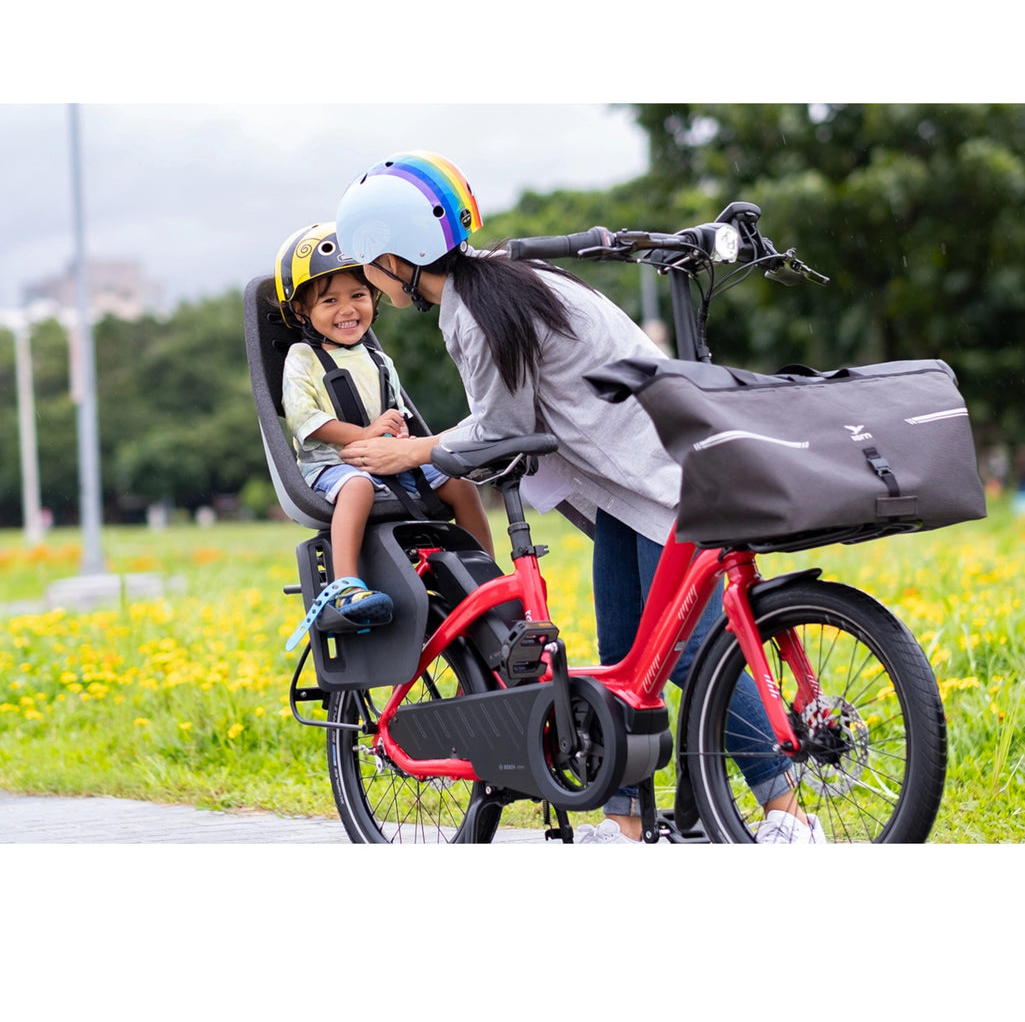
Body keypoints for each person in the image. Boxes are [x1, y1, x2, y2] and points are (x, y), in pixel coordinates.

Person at [334, 151, 824, 845]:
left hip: (658, 477)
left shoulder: (474, 312)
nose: (373, 289)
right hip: (627, 482)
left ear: (397, 256)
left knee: (681, 651)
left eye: (370, 270)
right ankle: (622, 825)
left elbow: (502, 431)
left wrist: (407, 450)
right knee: (627, 657)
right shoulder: (507, 282)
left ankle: (785, 812)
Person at [274, 222, 495, 631]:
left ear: (374, 296)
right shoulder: (302, 358)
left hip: (385, 458)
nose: (347, 310)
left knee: (461, 483)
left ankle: (484, 572)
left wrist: (396, 434)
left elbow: (394, 414)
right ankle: (345, 587)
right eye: (329, 301)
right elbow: (307, 421)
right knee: (356, 487)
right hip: (331, 464)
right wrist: (364, 436)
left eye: (358, 295)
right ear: (303, 310)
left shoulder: (379, 360)